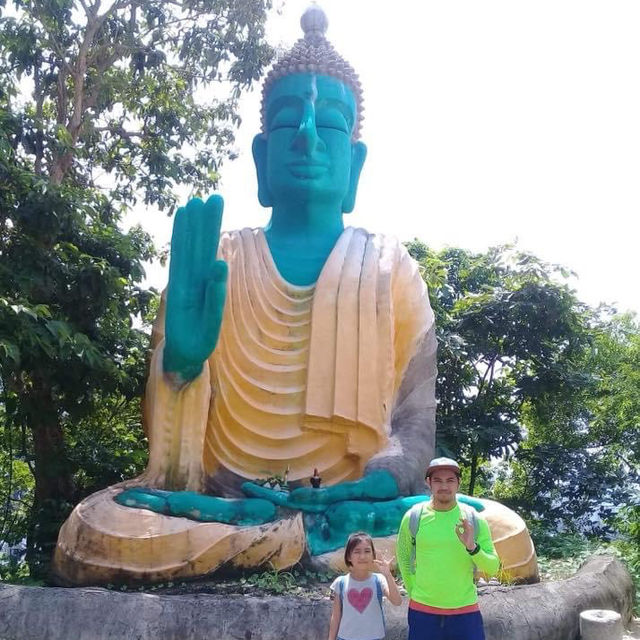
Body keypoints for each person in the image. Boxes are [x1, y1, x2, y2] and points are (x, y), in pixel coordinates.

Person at [396, 457, 500, 640]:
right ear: (428, 482)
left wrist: (472, 547)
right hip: (423, 612)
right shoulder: (413, 517)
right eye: (438, 480)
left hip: (465, 612)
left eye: (450, 480)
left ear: (459, 483)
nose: (444, 486)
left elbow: (493, 567)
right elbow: (403, 557)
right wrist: (414, 592)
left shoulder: (473, 519)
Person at [328, 532, 402, 640]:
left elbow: (397, 601)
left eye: (367, 551)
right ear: (348, 556)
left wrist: (388, 574)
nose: (362, 556)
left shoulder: (379, 580)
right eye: (357, 552)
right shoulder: (340, 583)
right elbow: (336, 616)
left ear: (373, 555)